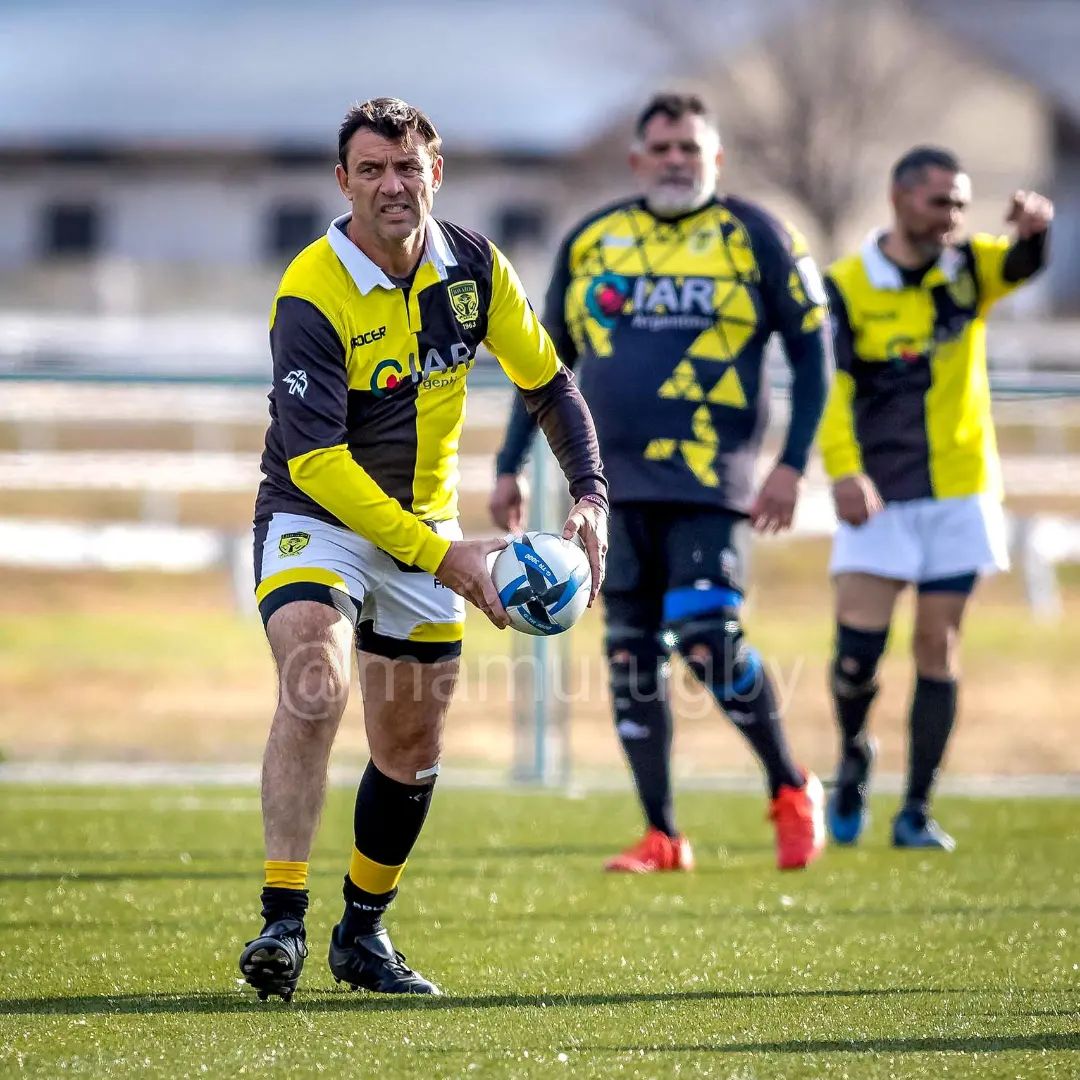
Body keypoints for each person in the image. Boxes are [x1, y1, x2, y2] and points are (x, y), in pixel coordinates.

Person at [241, 97, 608, 1001]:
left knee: (409, 741)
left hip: (424, 522)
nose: (392, 185)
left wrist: (592, 496)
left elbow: (549, 385)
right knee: (314, 678)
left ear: (434, 173)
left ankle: (362, 932)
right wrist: (447, 558)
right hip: (316, 513)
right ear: (343, 182)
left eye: (407, 167)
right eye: (371, 170)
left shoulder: (474, 268)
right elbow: (319, 462)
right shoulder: (311, 289)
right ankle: (281, 921)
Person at [490, 92, 831, 873]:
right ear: (638, 159)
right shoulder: (593, 241)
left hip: (712, 479)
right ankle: (662, 835)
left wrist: (792, 463)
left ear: (717, 159)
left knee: (707, 637)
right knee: (630, 658)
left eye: (691, 149)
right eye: (663, 149)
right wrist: (509, 462)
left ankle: (789, 787)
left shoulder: (759, 236)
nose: (677, 161)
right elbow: (544, 367)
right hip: (607, 489)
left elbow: (814, 356)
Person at [818, 146, 1052, 850]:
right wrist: (843, 470)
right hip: (879, 494)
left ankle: (916, 810)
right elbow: (828, 388)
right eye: (940, 202)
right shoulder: (845, 285)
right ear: (899, 199)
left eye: (961, 204)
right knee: (856, 655)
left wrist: (1036, 231)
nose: (952, 216)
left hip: (959, 489)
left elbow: (1022, 264)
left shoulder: (970, 267)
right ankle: (854, 754)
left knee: (937, 644)